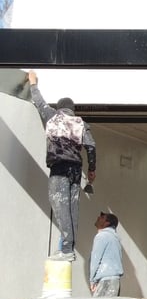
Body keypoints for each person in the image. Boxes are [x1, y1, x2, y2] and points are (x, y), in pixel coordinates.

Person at [27, 70, 96, 262]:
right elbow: (91, 146)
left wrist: (32, 83)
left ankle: (65, 250)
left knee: (60, 205)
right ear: (72, 110)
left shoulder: (53, 116)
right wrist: (92, 170)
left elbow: (39, 102)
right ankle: (69, 248)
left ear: (60, 108)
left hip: (59, 168)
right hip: (76, 169)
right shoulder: (81, 123)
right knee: (73, 208)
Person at [90, 210, 124, 299]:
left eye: (102, 217)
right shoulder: (114, 237)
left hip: (107, 280)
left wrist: (92, 279)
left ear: (107, 222)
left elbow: (95, 258)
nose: (98, 218)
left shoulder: (102, 236)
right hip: (113, 280)